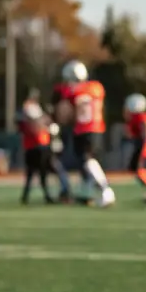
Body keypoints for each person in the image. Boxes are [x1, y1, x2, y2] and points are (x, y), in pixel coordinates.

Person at [54, 61, 115, 207]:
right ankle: (88, 191)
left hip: (83, 129)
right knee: (86, 161)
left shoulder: (71, 91)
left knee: (88, 160)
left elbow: (65, 113)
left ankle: (105, 189)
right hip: (98, 127)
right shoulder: (96, 87)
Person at [18, 90, 63, 204]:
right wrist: (47, 122)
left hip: (38, 144)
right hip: (36, 145)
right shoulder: (29, 107)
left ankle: (31, 196)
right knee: (37, 172)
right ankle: (36, 196)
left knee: (37, 173)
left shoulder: (33, 107)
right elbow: (37, 123)